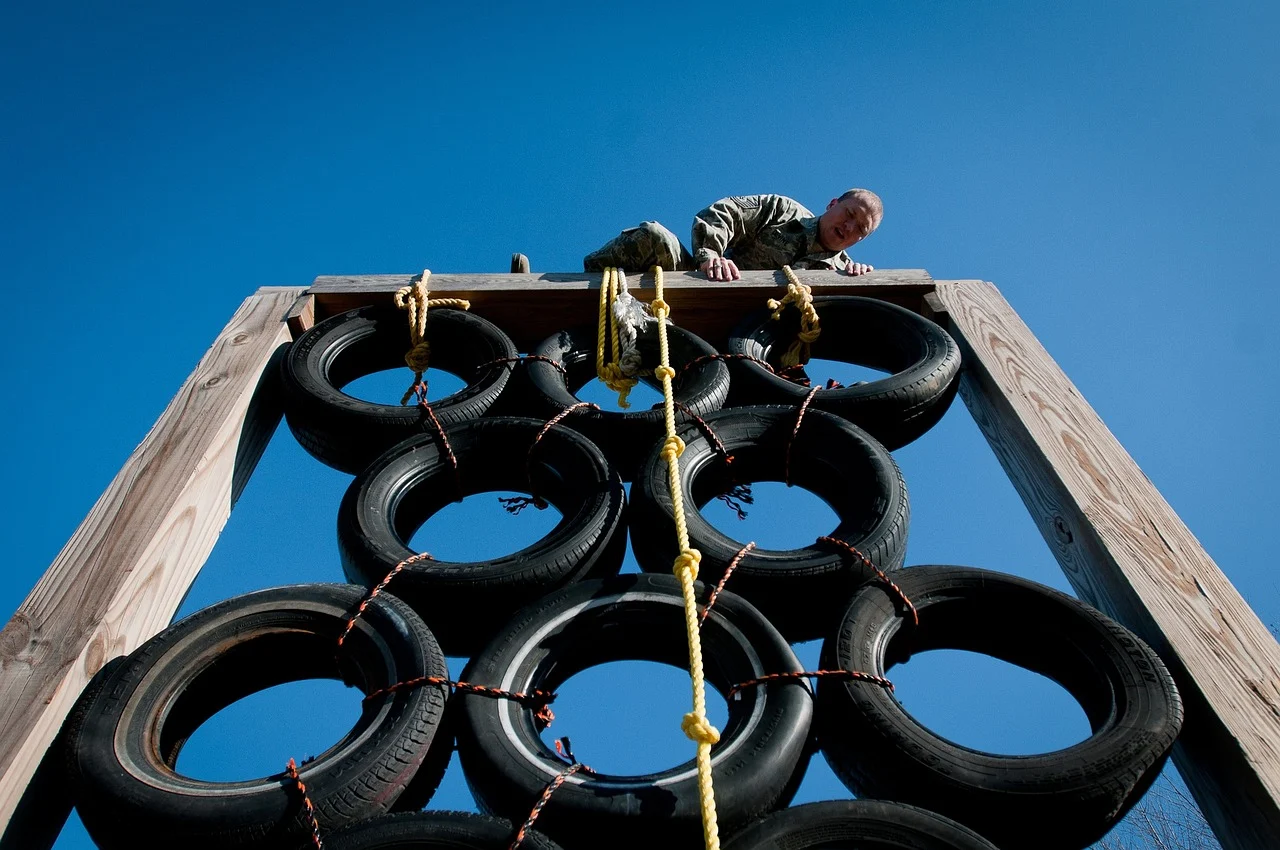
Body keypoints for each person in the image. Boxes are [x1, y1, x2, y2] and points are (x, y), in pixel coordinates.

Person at [582, 189, 882, 280]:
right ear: (832, 204)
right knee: (654, 235)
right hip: (709, 288)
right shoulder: (782, 211)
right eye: (850, 214)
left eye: (861, 230)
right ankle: (585, 284)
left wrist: (859, 281)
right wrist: (710, 256)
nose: (850, 227)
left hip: (759, 341)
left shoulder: (844, 272)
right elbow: (725, 213)